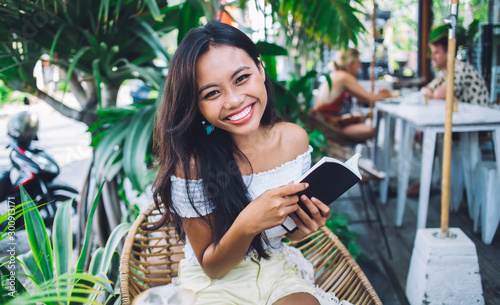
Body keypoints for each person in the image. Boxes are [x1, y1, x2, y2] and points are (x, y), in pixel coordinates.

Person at [152, 22, 337, 305]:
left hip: (276, 270)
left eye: (241, 78)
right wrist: (248, 222)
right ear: (196, 105)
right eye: (212, 93)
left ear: (261, 69)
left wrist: (306, 224)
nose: (235, 100)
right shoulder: (193, 164)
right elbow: (212, 267)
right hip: (214, 283)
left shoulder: (294, 141)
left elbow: (290, 235)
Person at [311, 48, 392, 142]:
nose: (360, 65)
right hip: (328, 125)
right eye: (358, 62)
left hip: (321, 121)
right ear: (350, 64)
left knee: (360, 118)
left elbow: (361, 98)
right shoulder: (344, 77)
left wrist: (378, 95)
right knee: (370, 130)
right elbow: (370, 98)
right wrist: (389, 94)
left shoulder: (335, 74)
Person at [420, 33, 489, 105]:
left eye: (436, 53)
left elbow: (439, 95)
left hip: (480, 113)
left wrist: (432, 94)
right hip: (466, 113)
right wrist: (430, 92)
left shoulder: (461, 68)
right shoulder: (444, 72)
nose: (432, 57)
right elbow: (425, 90)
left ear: (448, 53)